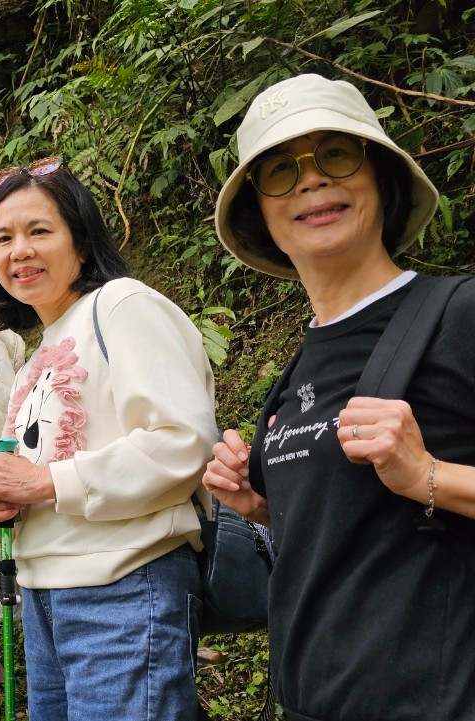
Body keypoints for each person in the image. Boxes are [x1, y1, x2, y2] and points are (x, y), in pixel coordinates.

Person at [203, 73, 475, 721]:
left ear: (380, 177)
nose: (310, 180)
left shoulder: (459, 313)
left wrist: (429, 475)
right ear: (261, 214)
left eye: (336, 155)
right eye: (279, 170)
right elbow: (344, 537)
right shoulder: (299, 367)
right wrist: (260, 506)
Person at [0, 160, 217, 720]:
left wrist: (44, 482)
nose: (19, 250)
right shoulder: (37, 355)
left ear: (81, 242)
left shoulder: (123, 305)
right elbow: (33, 480)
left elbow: (183, 441)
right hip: (44, 600)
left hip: (123, 588)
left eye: (39, 231)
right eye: (2, 238)